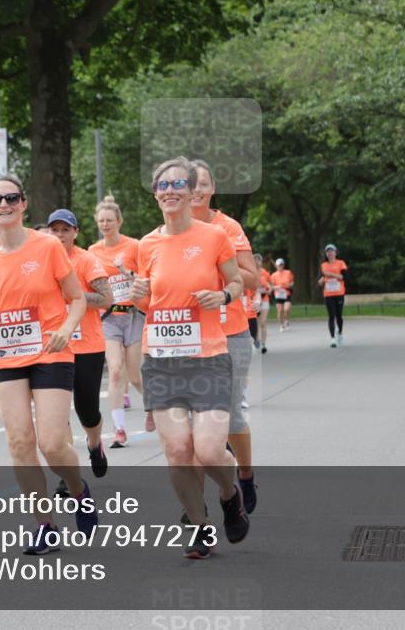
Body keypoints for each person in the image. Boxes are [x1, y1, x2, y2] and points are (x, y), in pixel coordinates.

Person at [0, 175, 97, 554]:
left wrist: (68, 329)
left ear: (23, 204)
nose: (2, 205)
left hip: (50, 349)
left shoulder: (48, 247)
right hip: (6, 355)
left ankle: (77, 490)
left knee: (53, 443)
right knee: (20, 441)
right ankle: (45, 526)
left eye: (11, 198)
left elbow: (77, 299)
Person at [131, 156, 250, 559]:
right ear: (155, 193)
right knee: (178, 451)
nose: (170, 191)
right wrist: (136, 298)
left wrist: (224, 295)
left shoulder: (215, 236)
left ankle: (230, 494)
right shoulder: (146, 245)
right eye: (162, 186)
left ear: (190, 190)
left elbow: (237, 280)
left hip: (209, 356)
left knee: (209, 450)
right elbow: (149, 302)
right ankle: (199, 526)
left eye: (178, 184)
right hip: (162, 360)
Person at [191, 160, 259, 513]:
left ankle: (245, 473)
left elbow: (252, 277)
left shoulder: (226, 227)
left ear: (212, 188)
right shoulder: (171, 231)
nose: (197, 190)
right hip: (188, 339)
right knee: (193, 425)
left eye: (203, 183)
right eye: (191, 184)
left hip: (229, 331)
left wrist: (221, 275)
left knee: (230, 416)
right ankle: (198, 509)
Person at [46, 208, 113, 477]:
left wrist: (73, 296)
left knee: (87, 410)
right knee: (59, 414)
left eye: (66, 230)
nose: (60, 235)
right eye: (55, 230)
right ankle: (68, 474)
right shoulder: (41, 260)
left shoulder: (86, 260)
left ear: (75, 232)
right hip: (54, 347)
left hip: (87, 346)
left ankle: (94, 443)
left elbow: (106, 299)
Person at [88, 195, 150, 443]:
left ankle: (154, 406)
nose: (105, 224)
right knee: (114, 371)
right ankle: (119, 430)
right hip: (109, 318)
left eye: (109, 220)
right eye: (101, 221)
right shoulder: (93, 251)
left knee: (135, 376)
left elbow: (146, 279)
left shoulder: (134, 246)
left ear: (119, 221)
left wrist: (127, 272)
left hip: (133, 316)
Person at [318, 243, 348, 348]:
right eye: (328, 252)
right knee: (331, 316)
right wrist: (321, 281)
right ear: (326, 254)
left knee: (339, 315)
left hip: (339, 293)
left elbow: (344, 277)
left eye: (331, 251)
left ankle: (340, 333)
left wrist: (331, 275)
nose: (330, 253)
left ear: (336, 252)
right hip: (328, 294)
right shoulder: (323, 265)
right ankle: (332, 339)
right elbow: (320, 281)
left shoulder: (341, 263)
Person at [254, 254, 272, 353]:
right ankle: (256, 338)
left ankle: (263, 344)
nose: (257, 262)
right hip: (254, 301)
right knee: (254, 323)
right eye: (255, 260)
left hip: (264, 299)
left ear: (261, 262)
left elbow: (271, 285)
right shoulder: (250, 273)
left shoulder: (265, 273)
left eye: (258, 260)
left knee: (263, 322)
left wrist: (270, 290)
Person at [271, 258, 294, 331]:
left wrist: (289, 285)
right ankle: (281, 324)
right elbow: (271, 287)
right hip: (278, 294)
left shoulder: (288, 272)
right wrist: (277, 287)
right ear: (276, 266)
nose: (280, 266)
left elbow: (292, 283)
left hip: (286, 293)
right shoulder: (274, 275)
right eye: (279, 265)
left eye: (281, 265)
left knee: (286, 309)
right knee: (280, 310)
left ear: (283, 265)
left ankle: (286, 321)